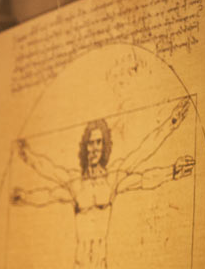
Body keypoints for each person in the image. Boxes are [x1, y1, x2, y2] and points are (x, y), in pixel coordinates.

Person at [10, 98, 195, 269]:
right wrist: (25, 189)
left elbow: (143, 166)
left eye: (99, 142)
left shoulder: (112, 179)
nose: (94, 148)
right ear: (85, 147)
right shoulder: (75, 184)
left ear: (105, 145)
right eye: (90, 143)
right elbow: (49, 185)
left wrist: (172, 162)